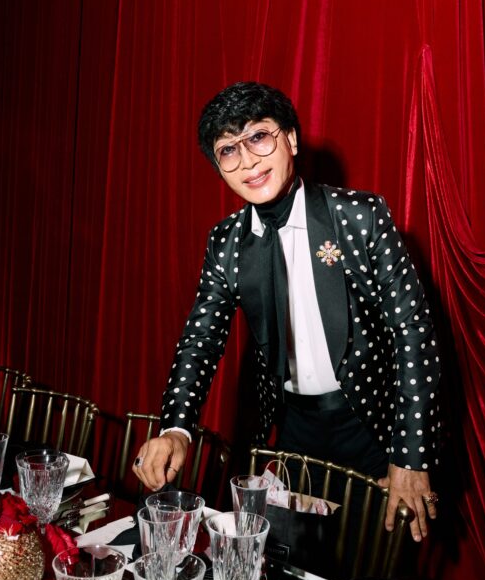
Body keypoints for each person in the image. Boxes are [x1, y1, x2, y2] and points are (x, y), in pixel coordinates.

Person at [133, 82, 441, 542]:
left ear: (291, 139)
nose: (248, 161)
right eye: (228, 150)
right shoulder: (227, 243)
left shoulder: (359, 216)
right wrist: (177, 429)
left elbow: (412, 331)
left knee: (376, 562)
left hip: (374, 427)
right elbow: (200, 341)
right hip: (292, 430)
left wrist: (411, 454)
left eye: (259, 137)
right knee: (294, 564)